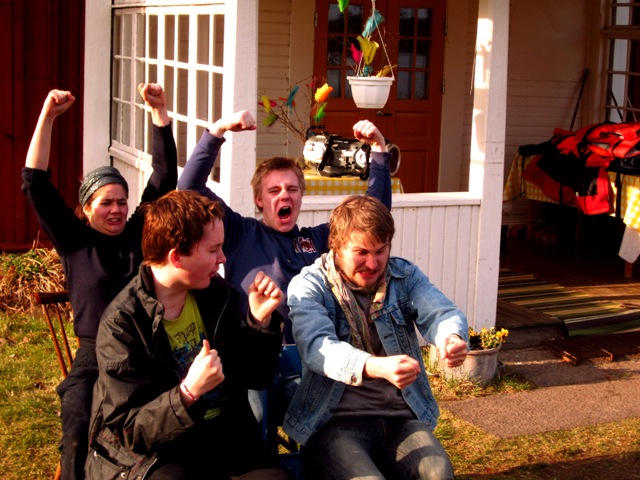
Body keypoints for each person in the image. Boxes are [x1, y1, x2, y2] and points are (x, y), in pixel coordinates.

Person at [22, 84, 177, 480]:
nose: (117, 210)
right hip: (93, 357)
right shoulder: (75, 240)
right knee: (76, 433)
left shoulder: (138, 233)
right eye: (106, 202)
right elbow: (35, 183)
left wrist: (159, 113)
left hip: (144, 350)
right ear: (87, 208)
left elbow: (163, 177)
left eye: (122, 201)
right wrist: (48, 117)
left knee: (166, 431)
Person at [84, 190, 288, 480]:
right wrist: (188, 393)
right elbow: (130, 430)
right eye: (213, 250)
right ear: (177, 257)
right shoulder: (123, 324)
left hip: (225, 435)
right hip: (161, 452)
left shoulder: (215, 294)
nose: (223, 258)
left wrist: (259, 321)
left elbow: (255, 376)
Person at [284, 195, 470, 480]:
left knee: (438, 474)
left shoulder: (404, 276)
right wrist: (375, 366)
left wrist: (451, 337)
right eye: (361, 252)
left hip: (400, 420)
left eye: (380, 251)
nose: (372, 263)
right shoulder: (309, 285)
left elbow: (440, 312)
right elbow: (317, 347)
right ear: (336, 247)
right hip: (334, 424)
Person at [177, 112, 393, 342]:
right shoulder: (239, 232)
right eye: (274, 191)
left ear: (301, 196)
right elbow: (189, 188)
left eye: (292, 189)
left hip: (315, 353)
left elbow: (371, 214)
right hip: (252, 349)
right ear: (259, 200)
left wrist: (378, 148)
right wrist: (219, 129)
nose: (284, 196)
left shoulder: (318, 240)